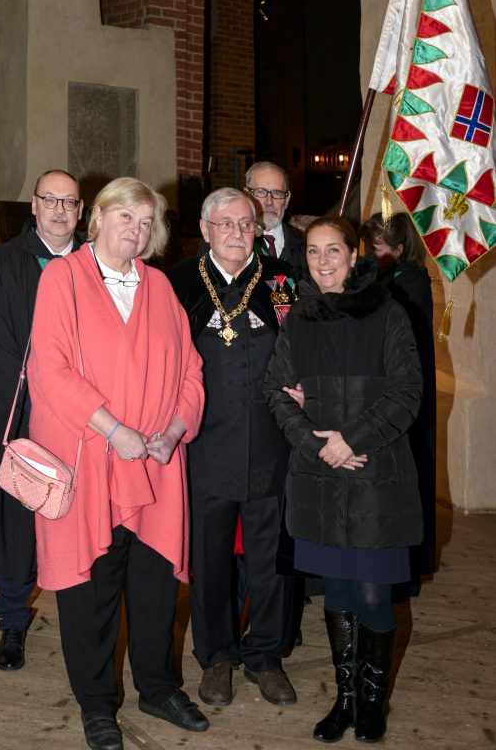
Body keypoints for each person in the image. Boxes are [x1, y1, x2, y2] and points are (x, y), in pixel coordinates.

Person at [27, 177, 208, 750]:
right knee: (93, 588)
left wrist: (174, 430)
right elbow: (50, 372)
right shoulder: (63, 278)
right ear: (97, 219)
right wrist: (116, 431)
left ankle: (157, 688)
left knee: (154, 586)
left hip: (154, 464)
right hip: (90, 463)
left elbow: (191, 372)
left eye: (146, 221)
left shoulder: (160, 287)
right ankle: (98, 703)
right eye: (125, 217)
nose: (136, 229)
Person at [267, 216, 423, 743]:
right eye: (313, 252)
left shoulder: (389, 314)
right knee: (336, 594)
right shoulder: (298, 322)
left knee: (375, 597)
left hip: (376, 475)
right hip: (320, 480)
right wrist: (317, 444)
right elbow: (274, 391)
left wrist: (348, 440)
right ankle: (346, 699)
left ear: (355, 255)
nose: (324, 262)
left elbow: (405, 395)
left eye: (334, 250)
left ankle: (373, 701)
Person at [168, 187, 297, 712]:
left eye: (246, 224)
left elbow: (305, 347)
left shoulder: (284, 282)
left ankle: (266, 656)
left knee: (272, 562)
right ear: (205, 230)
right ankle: (216, 657)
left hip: (272, 445)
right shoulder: (175, 284)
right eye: (226, 224)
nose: (238, 234)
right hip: (204, 446)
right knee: (210, 561)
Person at [0, 169, 84, 670]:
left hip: (85, 416)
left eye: (69, 202)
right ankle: (11, 623)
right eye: (50, 200)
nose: (60, 210)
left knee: (79, 519)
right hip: (25, 411)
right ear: (35, 206)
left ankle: (84, 620)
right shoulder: (3, 262)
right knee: (20, 520)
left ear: (82, 211)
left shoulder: (96, 263)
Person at [361, 211, 436, 585]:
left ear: (399, 248)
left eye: (375, 247)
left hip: (408, 396)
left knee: (410, 477)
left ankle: (410, 564)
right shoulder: (395, 278)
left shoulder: (411, 283)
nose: (369, 254)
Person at [245, 160, 305, 273]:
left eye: (277, 193)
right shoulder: (226, 243)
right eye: (261, 192)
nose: (269, 202)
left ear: (287, 200)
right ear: (247, 196)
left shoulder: (305, 244)